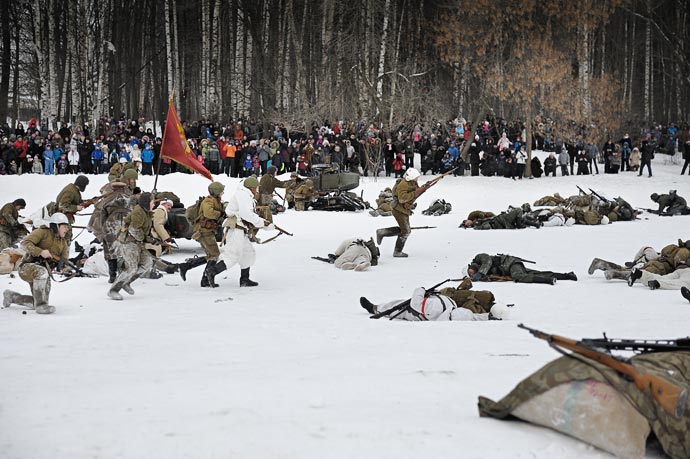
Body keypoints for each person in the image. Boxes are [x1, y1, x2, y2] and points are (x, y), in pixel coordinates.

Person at [2, 213, 70, 314]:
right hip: (27, 267)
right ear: (56, 226)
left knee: (38, 300)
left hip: (44, 274)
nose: (67, 229)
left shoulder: (63, 243)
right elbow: (25, 243)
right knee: (42, 274)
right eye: (64, 226)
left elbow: (64, 260)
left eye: (67, 227)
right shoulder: (42, 232)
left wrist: (63, 267)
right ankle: (41, 306)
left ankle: (12, 297)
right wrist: (40, 252)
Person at [359, 278, 511, 321]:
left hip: (412, 309)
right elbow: (474, 317)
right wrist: (488, 317)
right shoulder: (455, 311)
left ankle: (375, 309)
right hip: (434, 297)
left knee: (395, 307)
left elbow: (415, 303)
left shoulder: (434, 311)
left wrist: (421, 290)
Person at [219, 176, 273, 287]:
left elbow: (248, 215)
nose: (257, 189)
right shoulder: (243, 195)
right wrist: (262, 223)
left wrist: (263, 223)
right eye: (256, 187)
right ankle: (212, 272)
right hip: (236, 230)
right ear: (252, 188)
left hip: (240, 229)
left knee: (248, 254)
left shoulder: (246, 195)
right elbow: (246, 215)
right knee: (232, 256)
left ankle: (244, 279)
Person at [108, 193, 156, 300]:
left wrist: (151, 238)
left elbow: (145, 229)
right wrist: (145, 239)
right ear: (146, 203)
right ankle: (114, 290)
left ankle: (126, 282)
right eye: (152, 202)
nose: (154, 204)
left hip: (137, 242)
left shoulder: (146, 212)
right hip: (128, 243)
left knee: (147, 263)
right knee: (131, 267)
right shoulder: (138, 212)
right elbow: (134, 230)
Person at [180, 181, 227, 287]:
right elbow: (208, 213)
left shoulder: (216, 200)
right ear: (216, 192)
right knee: (214, 255)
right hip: (203, 231)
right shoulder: (208, 201)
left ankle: (187, 266)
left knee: (212, 255)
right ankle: (205, 279)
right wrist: (220, 214)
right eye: (221, 191)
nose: (223, 193)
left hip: (208, 231)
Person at [376, 167, 428, 257]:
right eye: (416, 177)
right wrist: (415, 193)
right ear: (411, 177)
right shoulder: (403, 184)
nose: (417, 179)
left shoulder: (413, 182)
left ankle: (382, 232)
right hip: (398, 209)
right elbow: (402, 198)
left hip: (404, 209)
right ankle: (397, 251)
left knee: (405, 230)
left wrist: (424, 188)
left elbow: (416, 192)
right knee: (406, 231)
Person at [467, 253, 577, 284]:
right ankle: (567, 275)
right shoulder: (484, 272)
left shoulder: (480, 257)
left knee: (518, 277)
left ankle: (547, 281)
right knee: (539, 273)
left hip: (511, 263)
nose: (472, 274)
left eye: (470, 272)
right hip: (510, 268)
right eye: (470, 275)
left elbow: (488, 261)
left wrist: (480, 273)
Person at [315, 237, 380, 271]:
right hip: (368, 253)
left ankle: (347, 264)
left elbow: (337, 253)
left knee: (338, 262)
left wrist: (339, 256)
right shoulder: (363, 240)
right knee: (360, 259)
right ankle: (361, 264)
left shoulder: (347, 241)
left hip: (355, 246)